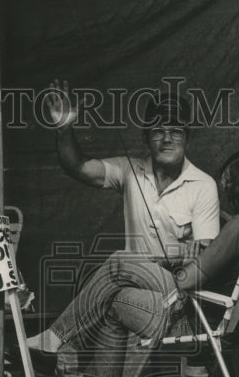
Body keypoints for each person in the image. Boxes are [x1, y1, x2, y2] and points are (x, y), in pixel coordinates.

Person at [24, 149, 239, 377]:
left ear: (237, 190)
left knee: (118, 264)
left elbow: (189, 281)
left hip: (201, 324)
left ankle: (60, 344)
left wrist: (179, 257)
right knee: (117, 297)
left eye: (225, 188)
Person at [46, 81, 221, 265]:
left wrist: (165, 263)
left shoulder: (203, 185)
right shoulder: (129, 171)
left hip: (177, 286)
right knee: (111, 269)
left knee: (116, 263)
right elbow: (78, 167)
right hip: (132, 282)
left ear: (187, 139)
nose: (167, 139)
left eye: (176, 131)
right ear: (145, 139)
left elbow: (207, 258)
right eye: (158, 131)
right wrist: (64, 130)